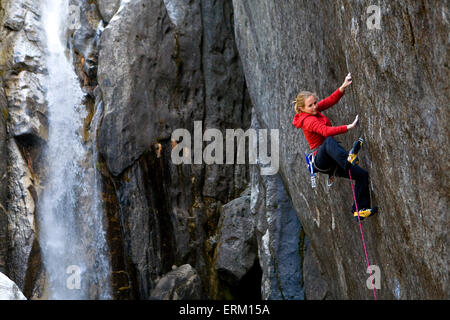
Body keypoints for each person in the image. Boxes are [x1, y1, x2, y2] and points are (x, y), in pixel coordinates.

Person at [292, 73, 377, 221]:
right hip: (322, 159)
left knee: (361, 175)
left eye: (315, 103)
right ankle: (348, 158)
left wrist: (343, 86)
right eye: (310, 105)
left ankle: (359, 209)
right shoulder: (307, 121)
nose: (314, 107)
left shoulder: (315, 110)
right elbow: (324, 131)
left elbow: (330, 101)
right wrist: (348, 127)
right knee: (329, 141)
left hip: (333, 161)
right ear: (301, 108)